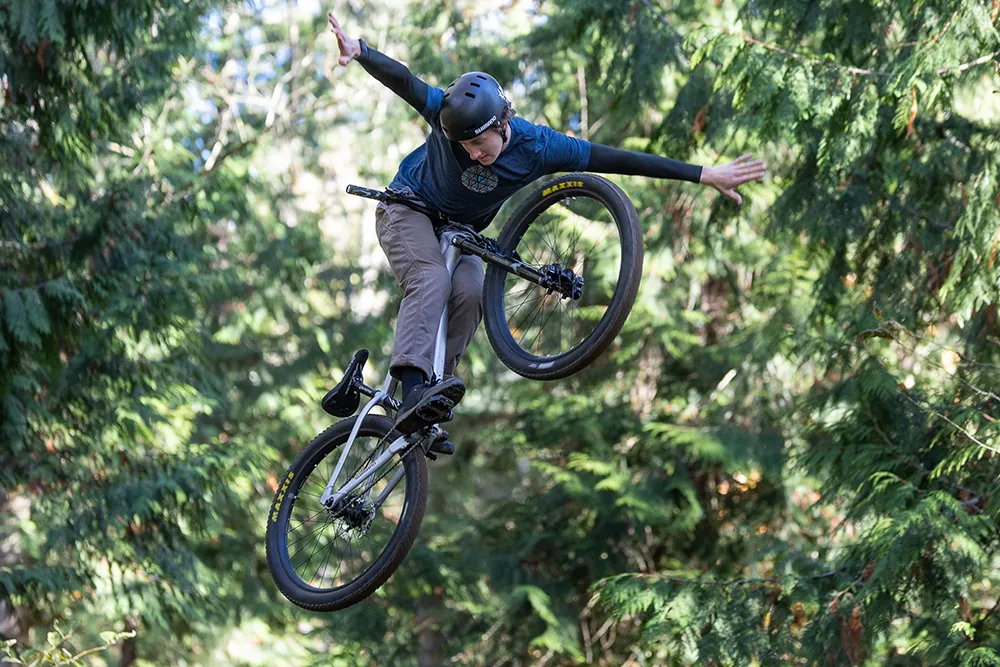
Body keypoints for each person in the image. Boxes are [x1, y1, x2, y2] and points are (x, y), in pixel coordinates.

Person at [327, 10, 766, 436]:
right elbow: (404, 81)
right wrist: (360, 50)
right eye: (465, 146)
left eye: (481, 143)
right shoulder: (445, 115)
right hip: (406, 209)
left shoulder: (539, 148)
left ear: (503, 122)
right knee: (431, 277)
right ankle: (413, 385)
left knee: (470, 292)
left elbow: (615, 158)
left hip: (461, 233)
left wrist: (704, 174)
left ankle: (430, 398)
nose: (475, 154)